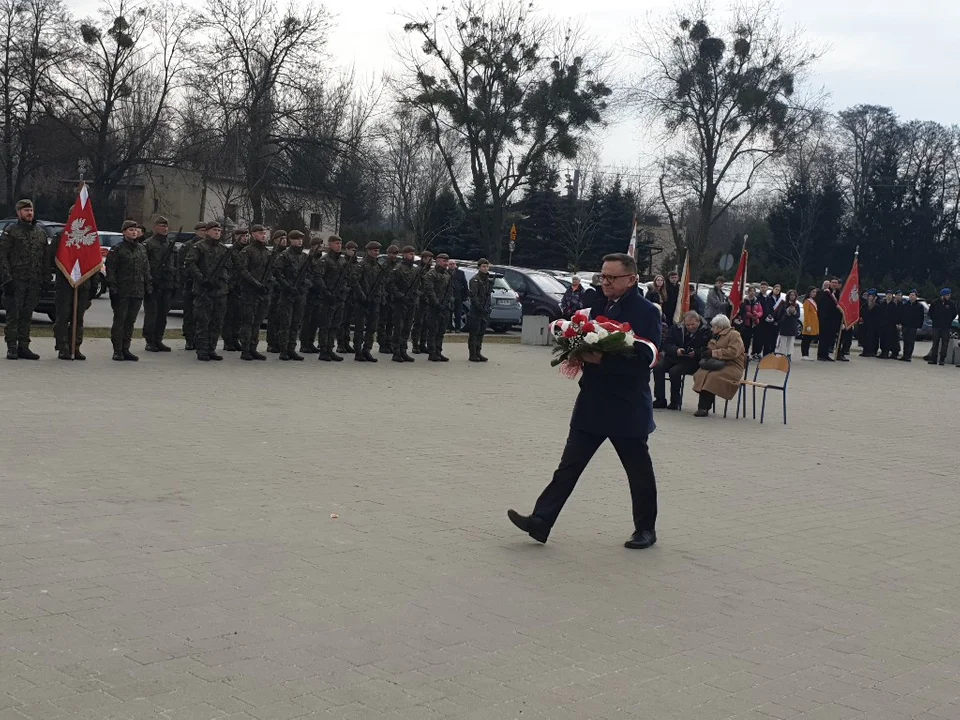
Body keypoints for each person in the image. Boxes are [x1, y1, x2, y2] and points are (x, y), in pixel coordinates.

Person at [507, 253, 662, 550]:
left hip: (626, 405)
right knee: (569, 466)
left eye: (612, 278)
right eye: (603, 276)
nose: (605, 282)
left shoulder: (645, 311)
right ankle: (541, 521)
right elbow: (576, 332)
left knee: (638, 472)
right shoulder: (598, 304)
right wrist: (574, 348)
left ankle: (645, 529)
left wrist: (602, 358)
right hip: (592, 401)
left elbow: (646, 359)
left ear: (631, 279)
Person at [0, 199, 47, 360]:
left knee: (27, 315)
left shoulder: (40, 232)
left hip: (33, 281)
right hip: (16, 280)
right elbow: (2, 256)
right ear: (19, 212)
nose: (29, 213)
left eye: (31, 210)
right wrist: (7, 280)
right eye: (26, 210)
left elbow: (44, 258)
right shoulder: (11, 231)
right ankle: (12, 347)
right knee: (14, 315)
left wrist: (45, 278)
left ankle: (24, 346)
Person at [106, 220, 152, 361]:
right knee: (120, 321)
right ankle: (117, 350)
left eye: (136, 230)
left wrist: (148, 287)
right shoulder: (117, 249)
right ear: (124, 232)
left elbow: (146, 269)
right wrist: (113, 289)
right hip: (122, 292)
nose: (134, 232)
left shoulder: (141, 248)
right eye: (131, 229)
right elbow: (111, 270)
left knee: (130, 322)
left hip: (137, 291)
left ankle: (126, 348)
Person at [185, 221, 231, 361]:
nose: (217, 232)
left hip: (220, 290)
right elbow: (190, 263)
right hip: (204, 290)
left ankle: (211, 349)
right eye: (214, 230)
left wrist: (225, 280)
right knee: (203, 322)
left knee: (217, 322)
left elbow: (231, 267)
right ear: (207, 231)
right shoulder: (198, 247)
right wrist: (202, 279)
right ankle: (202, 350)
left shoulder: (224, 249)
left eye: (219, 230)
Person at [51, 226, 95, 361]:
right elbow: (51, 258)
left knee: (78, 318)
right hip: (65, 283)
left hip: (83, 283)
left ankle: (75, 346)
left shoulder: (90, 237)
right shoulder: (61, 236)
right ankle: (63, 347)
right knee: (63, 316)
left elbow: (94, 261)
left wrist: (93, 285)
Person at [652, 310, 711, 409]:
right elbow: (667, 344)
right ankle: (660, 399)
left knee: (674, 372)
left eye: (692, 324)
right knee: (658, 367)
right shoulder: (676, 328)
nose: (690, 327)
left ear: (698, 322)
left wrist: (696, 353)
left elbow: (707, 348)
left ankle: (675, 401)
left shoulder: (706, 331)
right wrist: (676, 350)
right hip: (674, 356)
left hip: (691, 361)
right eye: (687, 325)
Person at [692, 314, 746, 418]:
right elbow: (710, 349)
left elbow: (733, 352)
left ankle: (703, 407)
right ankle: (704, 406)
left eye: (713, 327)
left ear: (720, 327)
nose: (711, 329)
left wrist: (713, 353)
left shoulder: (734, 335)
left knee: (712, 377)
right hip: (716, 365)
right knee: (701, 374)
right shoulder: (715, 336)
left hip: (732, 366)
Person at [273, 231, 312, 361]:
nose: (299, 241)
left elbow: (311, 273)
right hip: (287, 293)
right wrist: (288, 286)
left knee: (296, 322)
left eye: (301, 239)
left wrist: (304, 285)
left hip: (300, 293)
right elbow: (278, 273)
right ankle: (283, 350)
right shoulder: (284, 255)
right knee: (286, 322)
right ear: (290, 240)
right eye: (296, 239)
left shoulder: (305, 257)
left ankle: (292, 349)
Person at [237, 225, 272, 361]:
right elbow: (243, 271)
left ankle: (253, 348)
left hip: (262, 292)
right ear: (253, 235)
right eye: (260, 233)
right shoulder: (247, 251)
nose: (263, 235)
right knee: (248, 322)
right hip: (249, 291)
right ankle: (245, 349)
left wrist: (268, 285)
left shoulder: (267, 252)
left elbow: (270, 271)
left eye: (264, 233)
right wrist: (256, 283)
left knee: (257, 322)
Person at [142, 216, 176, 353]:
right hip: (153, 284)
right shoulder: (148, 244)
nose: (165, 229)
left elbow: (174, 264)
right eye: (162, 226)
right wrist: (148, 282)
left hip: (166, 284)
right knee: (152, 314)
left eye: (166, 226)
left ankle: (158, 339)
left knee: (163, 314)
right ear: (155, 227)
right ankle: (150, 341)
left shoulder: (170, 244)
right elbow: (144, 266)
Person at [351, 241, 386, 362]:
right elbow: (355, 281)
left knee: (372, 327)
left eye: (378, 251)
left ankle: (367, 349)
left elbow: (381, 284)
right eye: (374, 251)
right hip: (362, 301)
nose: (377, 253)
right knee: (360, 327)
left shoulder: (378, 266)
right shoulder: (361, 265)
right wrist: (362, 296)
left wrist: (380, 298)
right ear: (368, 251)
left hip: (374, 301)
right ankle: (358, 351)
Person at [317, 235, 349, 362]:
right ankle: (323, 350)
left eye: (340, 244)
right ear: (330, 245)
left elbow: (346, 278)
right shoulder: (324, 260)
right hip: (327, 298)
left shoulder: (342, 261)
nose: (339, 246)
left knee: (335, 325)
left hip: (339, 298)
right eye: (336, 243)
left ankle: (330, 348)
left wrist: (344, 291)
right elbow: (319, 278)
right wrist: (326, 292)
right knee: (325, 325)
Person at [389, 245, 421, 363]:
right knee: (399, 327)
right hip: (400, 302)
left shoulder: (415, 269)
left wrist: (415, 295)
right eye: (410, 254)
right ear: (404, 254)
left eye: (413, 254)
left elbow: (418, 285)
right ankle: (396, 352)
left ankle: (403, 350)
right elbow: (391, 285)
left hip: (411, 302)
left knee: (407, 327)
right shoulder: (398, 268)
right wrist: (400, 296)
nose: (412, 256)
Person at [220, 227, 250, 351]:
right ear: (235, 237)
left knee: (239, 316)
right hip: (232, 287)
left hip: (244, 287)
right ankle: (228, 341)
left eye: (246, 236)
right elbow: (227, 269)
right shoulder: (230, 251)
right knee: (230, 316)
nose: (245, 238)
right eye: (242, 236)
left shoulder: (248, 251)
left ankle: (235, 338)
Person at [178, 222, 207, 351]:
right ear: (196, 231)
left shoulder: (208, 246)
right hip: (190, 284)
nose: (205, 232)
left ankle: (200, 339)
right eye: (202, 230)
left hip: (204, 285)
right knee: (190, 313)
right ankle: (189, 339)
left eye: (207, 230)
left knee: (202, 314)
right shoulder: (188, 246)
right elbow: (182, 265)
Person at [424, 252, 454, 362]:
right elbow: (430, 291)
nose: (446, 263)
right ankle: (432, 352)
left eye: (447, 261)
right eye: (444, 261)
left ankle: (438, 351)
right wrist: (437, 303)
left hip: (444, 307)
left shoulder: (447, 275)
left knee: (441, 331)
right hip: (434, 307)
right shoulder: (431, 274)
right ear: (437, 261)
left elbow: (450, 291)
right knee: (433, 330)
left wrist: (449, 302)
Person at [265, 230, 288, 353]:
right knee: (273, 318)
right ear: (275, 240)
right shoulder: (272, 254)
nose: (284, 241)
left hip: (284, 289)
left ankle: (281, 342)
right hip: (274, 290)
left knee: (282, 319)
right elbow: (269, 271)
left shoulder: (287, 254)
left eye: (285, 239)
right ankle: (271, 342)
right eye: (281, 239)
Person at [337, 240, 360, 354]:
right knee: (342, 320)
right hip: (343, 294)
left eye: (355, 250)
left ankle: (346, 342)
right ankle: (340, 344)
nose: (354, 252)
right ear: (347, 250)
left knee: (348, 321)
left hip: (353, 295)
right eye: (352, 250)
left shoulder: (356, 264)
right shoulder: (342, 261)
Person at [467, 258, 493, 362]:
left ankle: (478, 352)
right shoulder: (475, 280)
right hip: (476, 310)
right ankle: (472, 353)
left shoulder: (487, 280)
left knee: (481, 332)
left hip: (484, 310)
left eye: (487, 266)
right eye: (483, 266)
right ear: (479, 267)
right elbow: (474, 296)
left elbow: (488, 296)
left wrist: (488, 307)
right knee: (474, 332)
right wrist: (479, 307)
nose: (485, 268)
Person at [377, 245, 400, 354]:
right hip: (384, 297)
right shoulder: (383, 265)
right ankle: (382, 344)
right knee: (382, 322)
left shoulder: (397, 266)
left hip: (393, 298)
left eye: (395, 254)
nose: (394, 256)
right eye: (392, 253)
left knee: (391, 322)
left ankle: (388, 342)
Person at [926, 288, 958, 365]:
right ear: (943, 295)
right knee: (935, 343)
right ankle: (933, 359)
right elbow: (930, 313)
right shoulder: (935, 302)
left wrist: (948, 320)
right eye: (947, 295)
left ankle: (942, 359)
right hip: (936, 326)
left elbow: (954, 314)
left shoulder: (951, 304)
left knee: (945, 343)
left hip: (946, 327)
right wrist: (935, 319)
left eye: (949, 295)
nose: (949, 296)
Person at [411, 250, 434, 353]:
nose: (430, 261)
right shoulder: (418, 270)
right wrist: (419, 293)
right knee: (418, 323)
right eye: (429, 259)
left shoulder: (431, 271)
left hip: (428, 300)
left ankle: (422, 344)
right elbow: (414, 285)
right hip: (419, 300)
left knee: (426, 323)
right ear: (423, 259)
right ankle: (415, 344)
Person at [733, 284, 763, 357]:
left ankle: (746, 354)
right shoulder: (744, 301)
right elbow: (742, 311)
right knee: (742, 339)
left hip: (753, 323)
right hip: (745, 323)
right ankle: (740, 354)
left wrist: (757, 315)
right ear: (748, 292)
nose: (752, 293)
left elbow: (760, 311)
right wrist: (749, 315)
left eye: (753, 291)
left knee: (748, 341)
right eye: (751, 291)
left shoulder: (757, 301)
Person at [816, 279, 841, 362]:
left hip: (833, 320)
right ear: (830, 283)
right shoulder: (825, 293)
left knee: (830, 338)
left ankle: (826, 354)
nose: (834, 284)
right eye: (833, 282)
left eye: (836, 283)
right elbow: (822, 306)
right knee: (823, 338)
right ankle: (821, 355)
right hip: (825, 319)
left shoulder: (838, 293)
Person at [899, 290, 924, 362]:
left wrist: (919, 325)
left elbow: (921, 317)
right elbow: (902, 315)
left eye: (913, 295)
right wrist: (901, 323)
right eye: (910, 295)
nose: (911, 296)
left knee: (911, 341)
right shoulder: (905, 305)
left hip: (913, 326)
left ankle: (909, 356)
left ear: (916, 296)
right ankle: (904, 355)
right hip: (905, 325)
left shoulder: (919, 306)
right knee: (905, 341)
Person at [774, 289, 801, 357]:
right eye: (791, 295)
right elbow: (780, 314)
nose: (792, 296)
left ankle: (789, 355)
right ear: (788, 296)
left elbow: (798, 315)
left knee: (791, 342)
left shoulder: (796, 305)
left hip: (792, 325)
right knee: (783, 341)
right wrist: (788, 312)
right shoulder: (784, 303)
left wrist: (794, 312)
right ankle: (781, 355)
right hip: (785, 325)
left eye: (794, 295)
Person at [878, 290, 902, 359]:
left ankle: (886, 352)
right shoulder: (882, 304)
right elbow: (879, 315)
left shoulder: (894, 305)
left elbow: (896, 316)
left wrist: (897, 323)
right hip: (883, 325)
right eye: (887, 294)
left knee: (889, 339)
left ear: (892, 296)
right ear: (885, 296)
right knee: (882, 339)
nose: (889, 296)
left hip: (891, 326)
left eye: (890, 295)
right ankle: (882, 352)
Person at [858, 289, 881, 357]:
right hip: (865, 324)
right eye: (869, 296)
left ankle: (872, 351)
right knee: (864, 338)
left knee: (872, 339)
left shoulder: (876, 306)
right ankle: (865, 351)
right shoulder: (865, 305)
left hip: (873, 325)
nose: (870, 297)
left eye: (872, 296)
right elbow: (861, 313)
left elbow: (878, 316)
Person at [800, 287, 819, 360]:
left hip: (813, 323)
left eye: (815, 292)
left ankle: (806, 354)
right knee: (806, 339)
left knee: (809, 339)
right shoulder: (807, 302)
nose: (814, 293)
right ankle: (804, 354)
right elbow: (806, 314)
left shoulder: (813, 301)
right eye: (813, 292)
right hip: (809, 323)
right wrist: (807, 325)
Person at [450, 260, 468, 331]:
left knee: (458, 312)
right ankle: (449, 327)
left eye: (453, 264)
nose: (452, 265)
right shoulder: (446, 272)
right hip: (449, 295)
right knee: (449, 312)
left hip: (459, 295)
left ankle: (458, 328)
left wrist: (466, 294)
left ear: (455, 265)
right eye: (450, 264)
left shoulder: (461, 273)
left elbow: (465, 283)